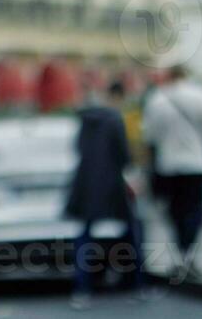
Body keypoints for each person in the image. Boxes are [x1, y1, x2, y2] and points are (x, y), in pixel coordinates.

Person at [64, 82, 154, 309]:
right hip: (113, 184)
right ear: (119, 96)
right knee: (132, 233)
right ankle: (138, 285)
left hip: (86, 184)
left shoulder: (85, 119)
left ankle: (81, 290)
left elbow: (78, 148)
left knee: (85, 236)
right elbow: (124, 155)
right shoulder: (115, 119)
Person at [141, 65, 202, 279]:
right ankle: (189, 255)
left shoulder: (157, 98)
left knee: (174, 210)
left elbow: (149, 136)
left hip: (168, 164)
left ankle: (179, 255)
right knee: (195, 209)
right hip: (197, 162)